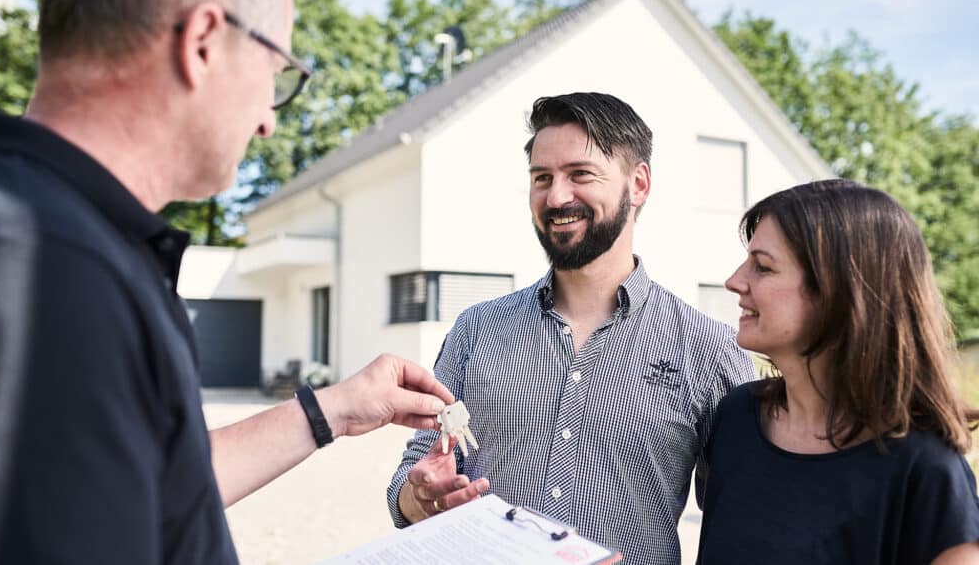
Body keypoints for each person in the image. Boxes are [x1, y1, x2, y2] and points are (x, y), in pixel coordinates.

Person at [0, 0, 454, 563]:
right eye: (277, 68)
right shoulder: (45, 275)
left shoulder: (48, 235)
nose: (269, 121)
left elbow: (150, 489)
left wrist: (333, 411)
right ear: (204, 42)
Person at [386, 92, 755, 564]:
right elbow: (413, 477)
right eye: (542, 178)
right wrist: (418, 499)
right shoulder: (476, 330)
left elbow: (740, 522)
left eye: (580, 174)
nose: (556, 196)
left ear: (638, 184)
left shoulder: (709, 349)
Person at [697, 179, 979, 564]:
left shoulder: (926, 467)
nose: (734, 282)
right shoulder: (736, 417)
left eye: (762, 267)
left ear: (840, 290)